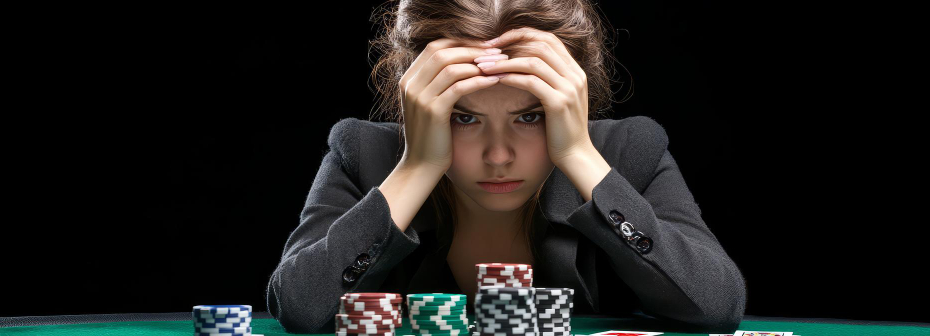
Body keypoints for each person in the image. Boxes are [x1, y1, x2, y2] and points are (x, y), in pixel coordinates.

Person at [266, 0, 746, 334]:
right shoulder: (364, 155)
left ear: (574, 102)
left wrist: (578, 154)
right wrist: (418, 166)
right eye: (464, 117)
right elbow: (301, 306)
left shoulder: (627, 152)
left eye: (530, 116)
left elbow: (717, 305)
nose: (498, 156)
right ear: (416, 103)